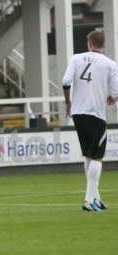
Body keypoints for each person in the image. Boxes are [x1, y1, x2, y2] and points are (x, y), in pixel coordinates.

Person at [62, 30, 118, 212]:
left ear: (89, 43)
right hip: (96, 114)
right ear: (104, 44)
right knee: (97, 157)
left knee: (88, 155)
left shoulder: (76, 58)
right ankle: (88, 200)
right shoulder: (110, 64)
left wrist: (68, 103)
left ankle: (96, 198)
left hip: (78, 112)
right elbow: (116, 92)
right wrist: (112, 98)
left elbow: (65, 82)